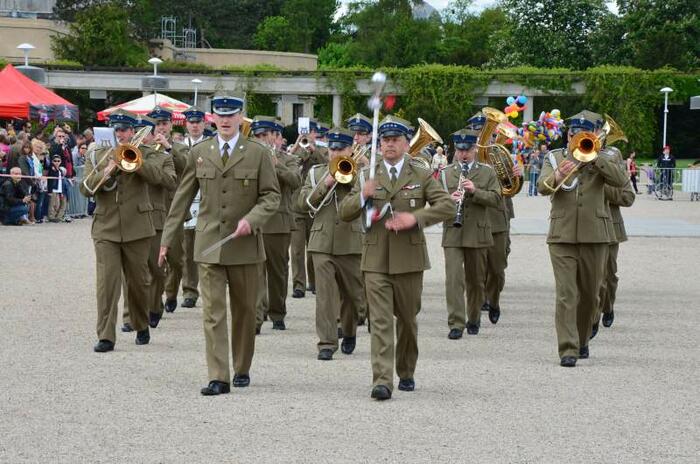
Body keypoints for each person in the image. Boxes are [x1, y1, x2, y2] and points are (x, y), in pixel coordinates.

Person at [159, 95, 280, 395]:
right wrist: (167, 240)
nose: (225, 120)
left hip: (245, 247)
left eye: (231, 115)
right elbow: (182, 198)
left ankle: (241, 366)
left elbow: (271, 196)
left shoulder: (258, 153)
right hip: (209, 244)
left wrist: (252, 219)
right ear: (212, 118)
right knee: (213, 312)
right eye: (220, 115)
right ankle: (218, 376)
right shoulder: (200, 152)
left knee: (244, 312)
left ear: (240, 117)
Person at [338, 115, 453, 400]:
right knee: (380, 322)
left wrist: (415, 218)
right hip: (375, 258)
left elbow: (447, 206)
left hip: (409, 259)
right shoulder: (367, 174)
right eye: (385, 140)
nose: (389, 145)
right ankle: (382, 380)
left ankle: (406, 370)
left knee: (408, 320)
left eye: (395, 140)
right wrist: (361, 197)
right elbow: (344, 212)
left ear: (405, 143)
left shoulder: (420, 173)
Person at [537, 110, 628, 367]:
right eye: (574, 134)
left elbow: (621, 182)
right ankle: (568, 348)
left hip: (595, 235)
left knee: (590, 295)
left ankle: (583, 338)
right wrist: (557, 176)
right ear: (568, 136)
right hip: (561, 235)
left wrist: (595, 157)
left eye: (584, 135)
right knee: (567, 294)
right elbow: (542, 187)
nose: (578, 139)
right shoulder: (554, 157)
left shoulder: (605, 158)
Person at [79, 109, 168, 352]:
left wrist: (136, 163)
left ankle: (140, 323)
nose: (120, 134)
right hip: (105, 227)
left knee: (138, 282)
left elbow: (160, 178)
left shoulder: (148, 152)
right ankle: (106, 336)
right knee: (107, 284)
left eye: (125, 130)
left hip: (137, 226)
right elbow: (85, 188)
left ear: (132, 131)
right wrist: (106, 170)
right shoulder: (96, 153)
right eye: (116, 130)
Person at [298, 128, 367, 360]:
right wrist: (326, 183)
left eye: (340, 149)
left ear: (350, 149)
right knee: (325, 295)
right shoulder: (316, 173)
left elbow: (365, 199)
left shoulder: (361, 173)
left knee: (353, 295)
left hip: (351, 241)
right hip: (321, 242)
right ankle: (327, 343)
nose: (335, 153)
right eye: (332, 149)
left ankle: (349, 330)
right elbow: (302, 203)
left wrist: (352, 174)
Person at [440, 129, 501, 339]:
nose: (463, 154)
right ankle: (456, 323)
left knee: (475, 281)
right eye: (459, 150)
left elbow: (496, 200)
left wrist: (475, 191)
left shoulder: (487, 172)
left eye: (467, 150)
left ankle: (473, 317)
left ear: (475, 149)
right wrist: (448, 199)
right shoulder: (445, 173)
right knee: (453, 279)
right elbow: (435, 201)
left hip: (477, 233)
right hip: (452, 233)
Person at [121, 115, 177, 331]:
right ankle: (130, 317)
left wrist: (142, 164)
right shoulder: (122, 154)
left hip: (155, 218)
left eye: (144, 133)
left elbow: (170, 181)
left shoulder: (162, 157)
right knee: (131, 271)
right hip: (132, 219)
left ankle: (154, 306)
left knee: (156, 269)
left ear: (153, 135)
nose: (139, 137)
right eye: (136, 132)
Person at [252, 116, 301, 332]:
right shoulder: (249, 158)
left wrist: (276, 164)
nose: (262, 139)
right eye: (258, 136)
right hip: (255, 221)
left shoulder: (288, 159)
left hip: (278, 222)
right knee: (255, 271)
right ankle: (257, 315)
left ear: (276, 137)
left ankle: (277, 312)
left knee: (278, 271)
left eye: (266, 135)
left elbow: (296, 181)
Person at [148, 105, 189, 313]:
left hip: (174, 208)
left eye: (164, 123)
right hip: (152, 208)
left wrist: (168, 148)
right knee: (155, 260)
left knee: (176, 260)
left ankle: (171, 292)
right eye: (156, 124)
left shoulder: (180, 147)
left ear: (171, 125)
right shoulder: (146, 148)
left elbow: (188, 166)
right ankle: (155, 302)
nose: (160, 128)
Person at [591, 148, 635, 338]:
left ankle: (608, 307)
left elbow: (627, 197)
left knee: (608, 274)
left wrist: (599, 186)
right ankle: (592, 318)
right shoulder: (574, 156)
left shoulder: (612, 157)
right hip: (587, 226)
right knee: (591, 277)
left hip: (610, 227)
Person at [289, 119, 326, 298]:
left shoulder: (323, 150)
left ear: (315, 134)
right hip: (297, 206)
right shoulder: (294, 148)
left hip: (314, 206)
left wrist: (314, 151)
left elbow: (328, 166)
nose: (308, 135)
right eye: (305, 131)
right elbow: (289, 162)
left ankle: (315, 282)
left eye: (311, 131)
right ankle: (299, 285)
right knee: (297, 250)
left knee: (313, 249)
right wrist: (298, 145)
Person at [180, 106, 209, 308]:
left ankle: (210, 290)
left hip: (207, 201)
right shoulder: (179, 146)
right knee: (187, 249)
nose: (195, 125)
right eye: (191, 122)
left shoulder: (211, 144)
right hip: (189, 201)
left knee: (207, 248)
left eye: (198, 122)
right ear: (186, 124)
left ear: (204, 124)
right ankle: (189, 291)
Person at [47, 155, 68, 223]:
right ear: (52, 161)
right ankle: (51, 217)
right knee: (52, 204)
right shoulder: (51, 169)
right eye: (55, 161)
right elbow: (50, 180)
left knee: (57, 204)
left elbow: (61, 181)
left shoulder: (60, 170)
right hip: (53, 188)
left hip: (59, 189)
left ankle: (57, 217)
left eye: (58, 161)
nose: (57, 162)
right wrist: (49, 191)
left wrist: (61, 191)